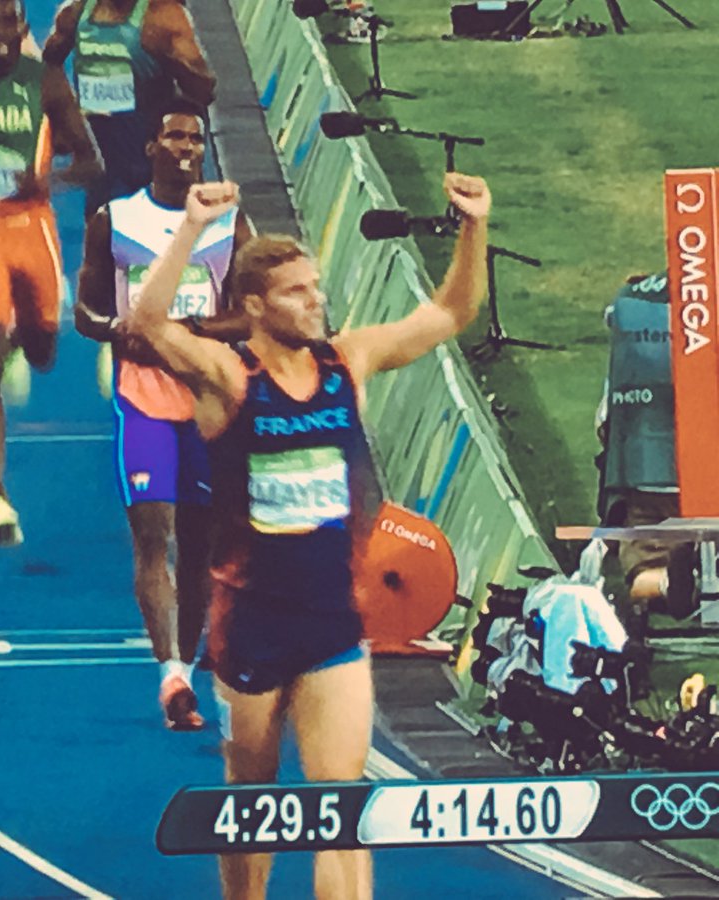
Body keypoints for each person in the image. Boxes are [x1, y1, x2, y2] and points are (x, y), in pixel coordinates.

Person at [126, 174, 490, 899]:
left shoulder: (346, 363)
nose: (316, 300)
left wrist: (475, 226)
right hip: (250, 622)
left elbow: (451, 312)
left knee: (341, 809)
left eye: (316, 286)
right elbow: (148, 324)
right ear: (255, 307)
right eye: (297, 292)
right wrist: (192, 230)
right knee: (252, 802)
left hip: (331, 621)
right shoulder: (230, 377)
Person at [76, 99, 253, 730]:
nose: (185, 147)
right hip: (143, 399)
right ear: (151, 147)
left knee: (204, 544)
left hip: (206, 402)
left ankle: (192, 650)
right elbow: (85, 311)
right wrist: (115, 330)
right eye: (173, 135)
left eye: (195, 139)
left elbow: (249, 314)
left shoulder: (229, 224)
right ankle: (171, 675)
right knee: (155, 534)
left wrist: (190, 330)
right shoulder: (115, 220)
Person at [0, 0, 102, 546]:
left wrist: (45, 183)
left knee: (43, 352)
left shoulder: (47, 85)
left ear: (21, 27)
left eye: (9, 19)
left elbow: (90, 161)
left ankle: (20, 343)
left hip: (31, 230)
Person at [42, 0, 216, 216]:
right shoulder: (75, 13)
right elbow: (49, 64)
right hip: (104, 166)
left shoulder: (163, 16)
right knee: (104, 239)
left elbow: (205, 90)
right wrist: (64, 122)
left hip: (153, 165)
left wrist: (168, 58)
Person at [595, 271, 698, 620]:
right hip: (706, 480)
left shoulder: (634, 305)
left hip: (645, 479)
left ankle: (671, 584)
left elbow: (604, 427)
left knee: (642, 573)